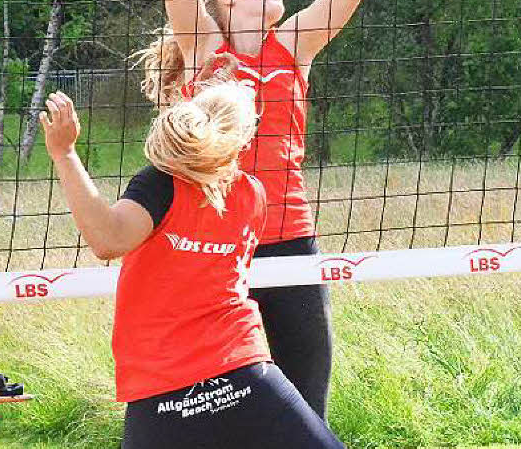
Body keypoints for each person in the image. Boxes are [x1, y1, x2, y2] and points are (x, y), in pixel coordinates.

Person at [136, 0, 437, 418]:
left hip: (289, 238)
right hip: (215, 240)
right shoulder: (203, 46)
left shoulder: (294, 45)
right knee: (210, 401)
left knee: (306, 395)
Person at [40, 84, 345, 448]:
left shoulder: (160, 185)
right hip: (244, 373)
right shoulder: (252, 194)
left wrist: (64, 152)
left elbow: (108, 240)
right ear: (244, 140)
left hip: (165, 383)